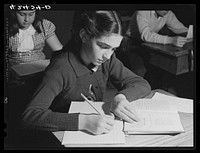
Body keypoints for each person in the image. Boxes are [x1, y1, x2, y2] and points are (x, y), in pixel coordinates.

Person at [21, 10, 151, 135]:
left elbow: (141, 83)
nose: (107, 55)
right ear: (84, 36)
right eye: (103, 46)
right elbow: (30, 116)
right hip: (61, 135)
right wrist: (83, 121)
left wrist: (121, 97)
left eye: (113, 49)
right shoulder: (61, 68)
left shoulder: (107, 60)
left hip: (95, 131)